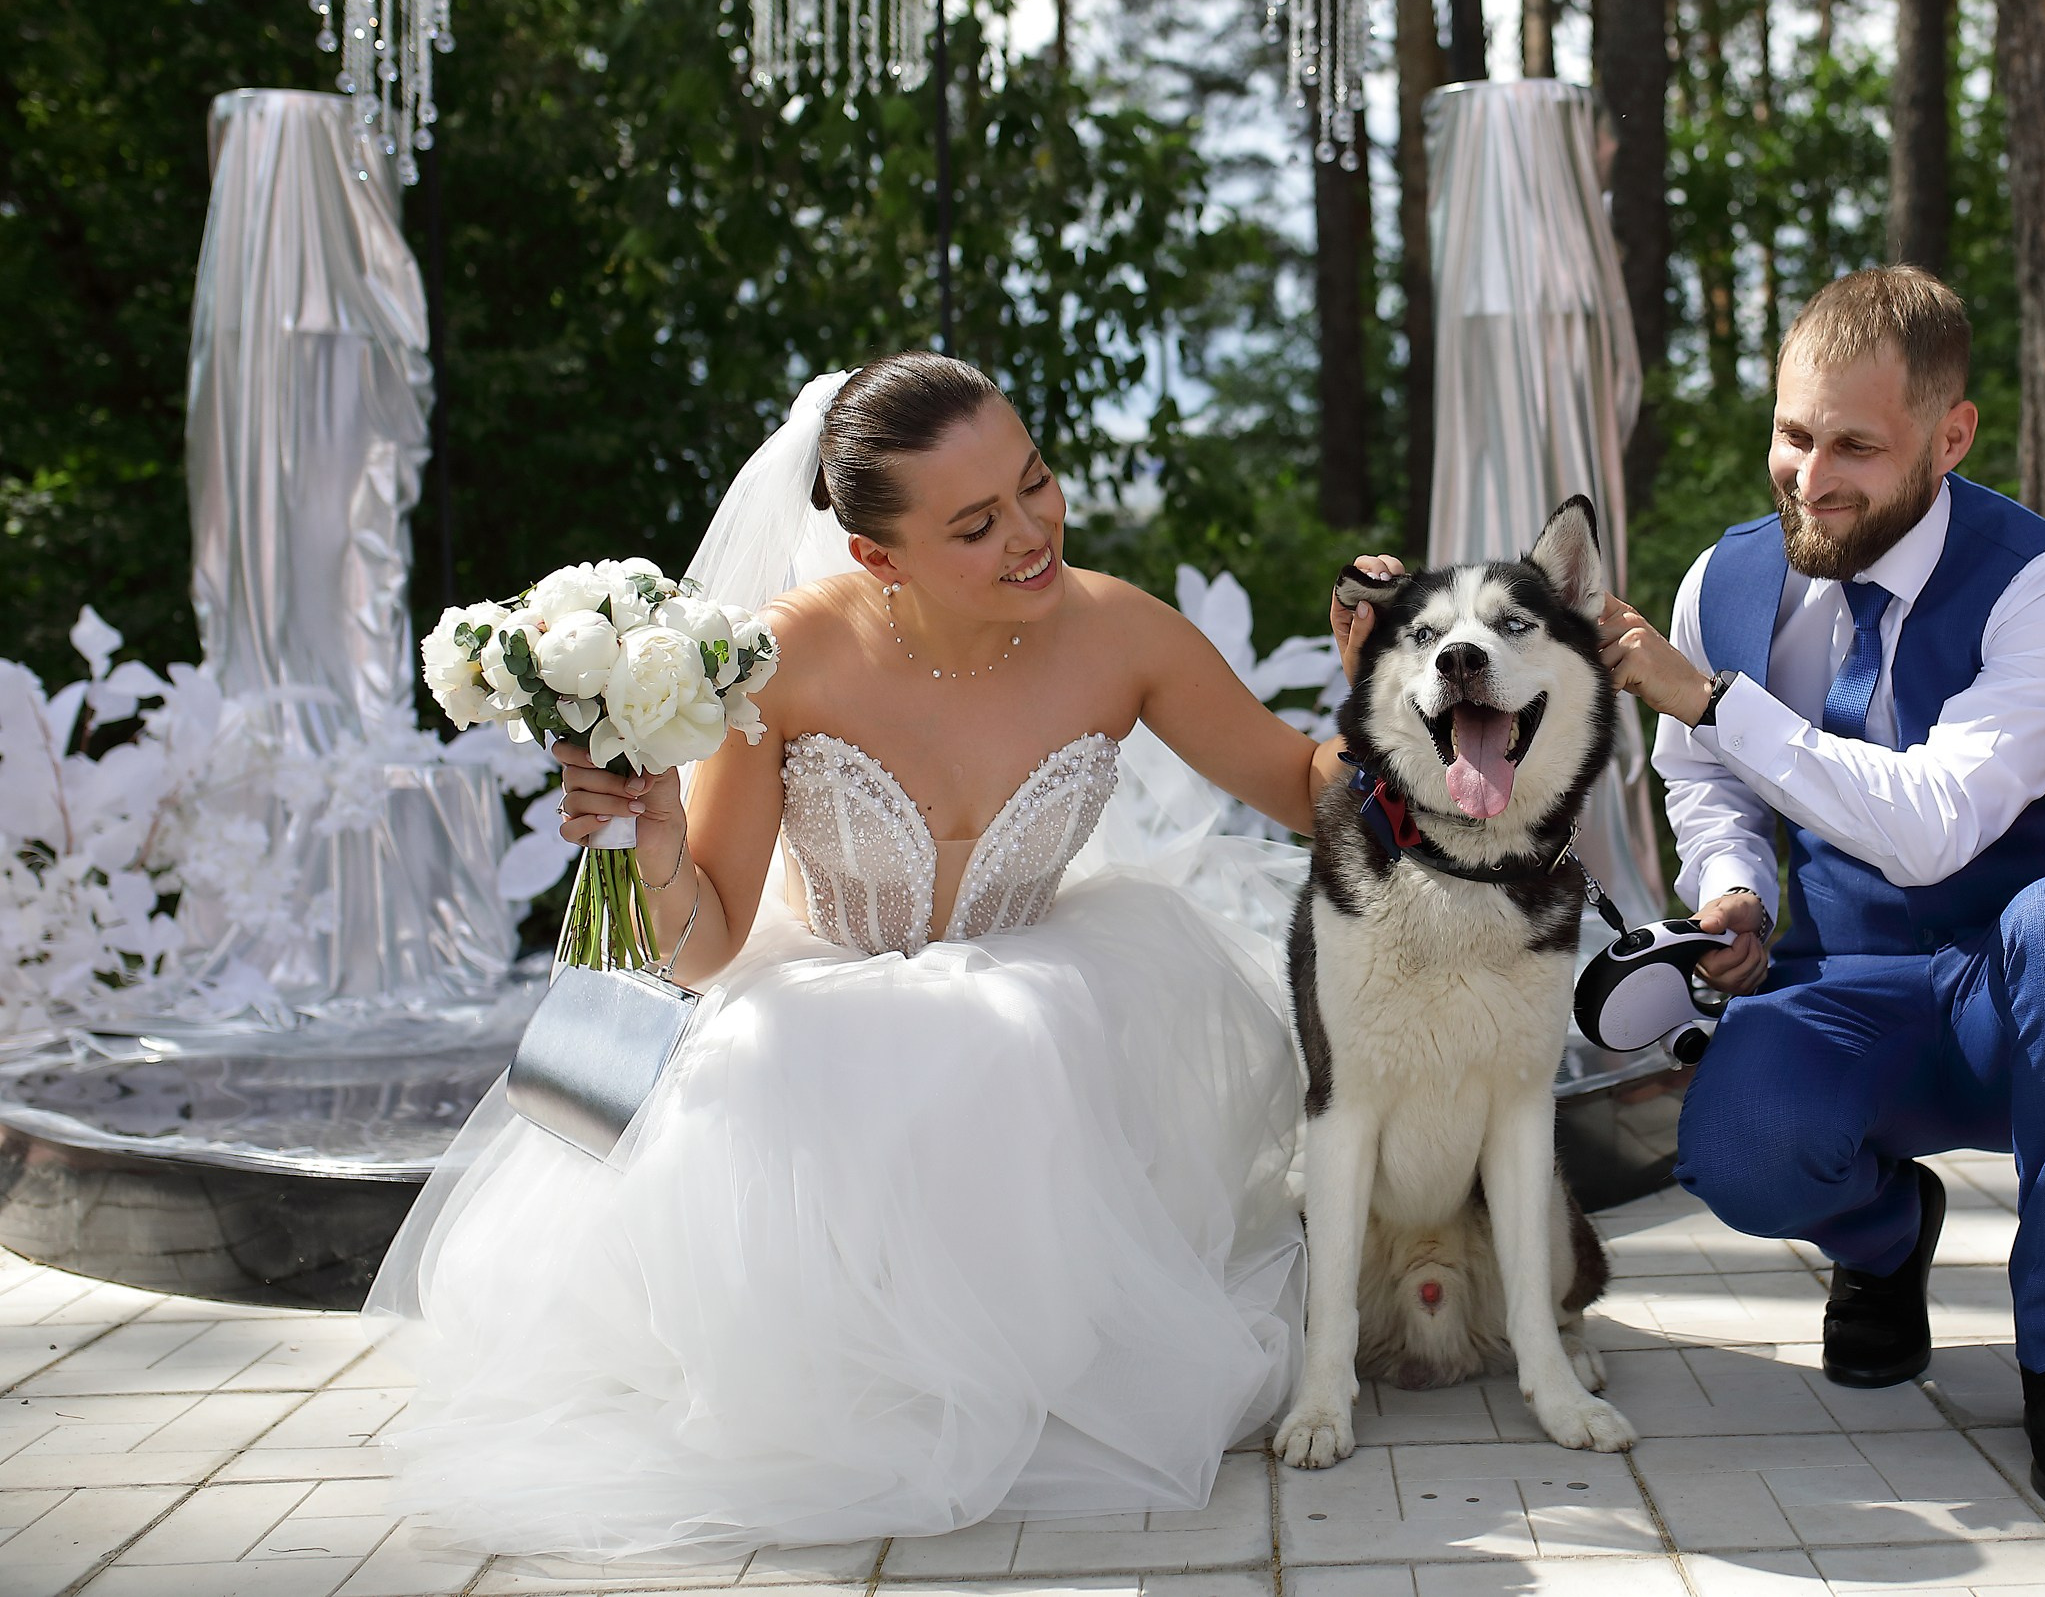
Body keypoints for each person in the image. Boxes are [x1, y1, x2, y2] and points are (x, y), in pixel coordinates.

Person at [368, 353, 1386, 1559]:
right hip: (822, 1014)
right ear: (875, 556)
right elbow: (702, 950)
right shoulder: (781, 658)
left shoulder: (1119, 631)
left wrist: (1389, 688)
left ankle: (1043, 1348)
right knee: (834, 1063)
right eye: (974, 524)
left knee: (1021, 1037)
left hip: (1054, 993)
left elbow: (1302, 790)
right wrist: (650, 832)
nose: (1029, 532)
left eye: (1035, 481)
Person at [1597, 267, 2045, 1516]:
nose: (1811, 476)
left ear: (1950, 435)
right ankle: (1882, 1235)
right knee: (1732, 1147)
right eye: (1794, 435)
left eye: (1856, 444)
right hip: (1844, 981)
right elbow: (1706, 788)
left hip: (2018, 994)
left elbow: (1933, 824)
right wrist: (1735, 890)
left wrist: (1711, 697)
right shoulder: (1724, 581)